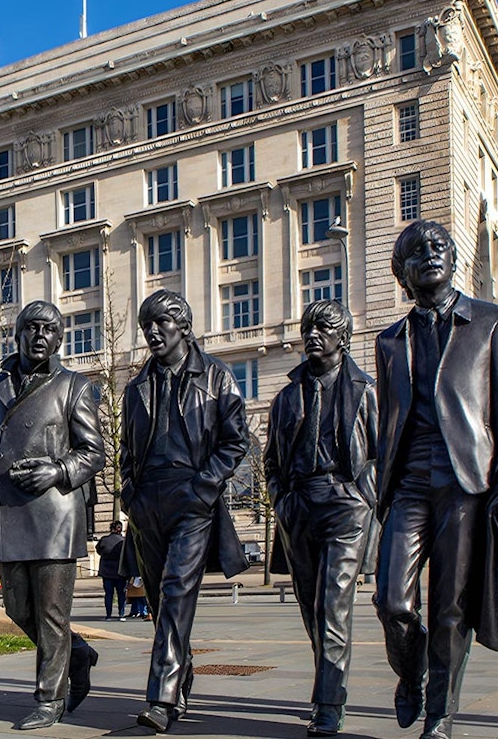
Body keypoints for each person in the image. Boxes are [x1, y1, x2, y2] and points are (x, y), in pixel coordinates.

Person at [371, 220, 498, 739]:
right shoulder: (390, 341)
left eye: (439, 246)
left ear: (454, 258)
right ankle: (410, 672)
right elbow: (389, 420)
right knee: (393, 602)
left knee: (451, 607)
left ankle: (440, 715)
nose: (430, 254)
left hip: (467, 482)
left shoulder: (493, 323)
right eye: (417, 251)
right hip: (409, 482)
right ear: (403, 272)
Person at [0, 300, 105, 730]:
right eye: (32, 328)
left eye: (50, 329)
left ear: (60, 339)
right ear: (18, 335)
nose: (40, 335)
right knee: (16, 607)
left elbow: (93, 452)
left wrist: (58, 469)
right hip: (7, 511)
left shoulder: (74, 387)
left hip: (54, 514)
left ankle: (50, 698)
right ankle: (77, 653)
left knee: (50, 613)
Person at [119, 289, 250, 733]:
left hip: (192, 497)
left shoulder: (216, 376)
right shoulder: (136, 387)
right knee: (160, 601)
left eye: (160, 323)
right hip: (147, 502)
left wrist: (205, 485)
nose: (152, 333)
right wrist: (129, 493)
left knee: (176, 592)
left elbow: (236, 440)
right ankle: (182, 672)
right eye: (146, 326)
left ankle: (161, 698)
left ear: (184, 326)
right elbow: (126, 450)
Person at [265, 300, 378, 737]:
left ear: (343, 338)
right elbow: (272, 461)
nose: (313, 334)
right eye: (309, 326)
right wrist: (281, 499)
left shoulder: (363, 390)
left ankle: (329, 702)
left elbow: (380, 456)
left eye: (325, 327)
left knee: (333, 607)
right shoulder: (287, 396)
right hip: (299, 508)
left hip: (345, 506)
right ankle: (326, 684)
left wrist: (362, 495)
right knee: (312, 609)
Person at [95, 520, 127, 620]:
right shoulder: (123, 541)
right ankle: (121, 614)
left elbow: (99, 550)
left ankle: (108, 615)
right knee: (121, 593)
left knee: (109, 594)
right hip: (120, 571)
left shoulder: (104, 540)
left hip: (106, 570)